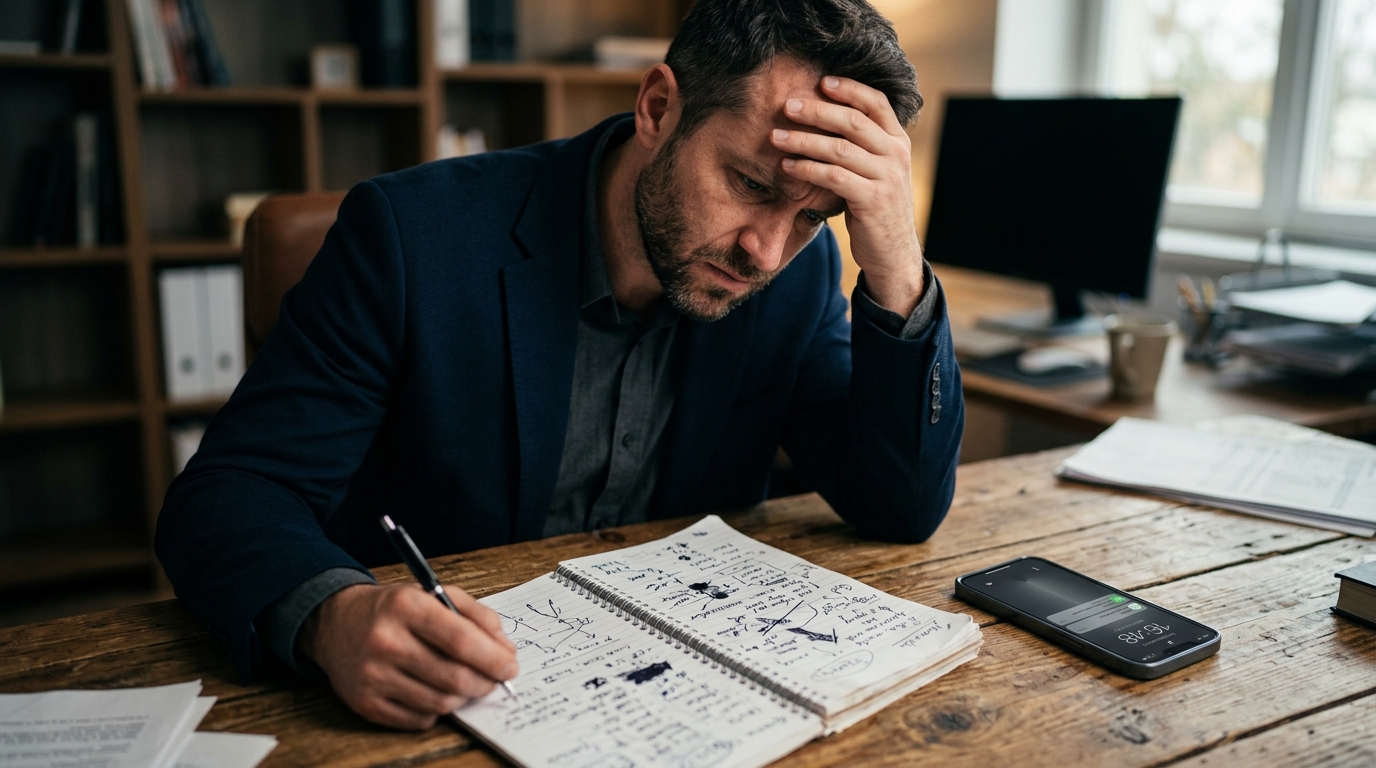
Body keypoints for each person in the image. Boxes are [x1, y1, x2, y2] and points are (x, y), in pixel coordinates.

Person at [155, 0, 964, 731]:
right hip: (441, 708)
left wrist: (894, 260)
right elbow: (230, 493)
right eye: (749, 182)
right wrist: (333, 615)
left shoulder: (799, 276)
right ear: (657, 109)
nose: (765, 251)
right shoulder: (409, 238)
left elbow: (899, 506)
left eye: (815, 217)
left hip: (678, 708)